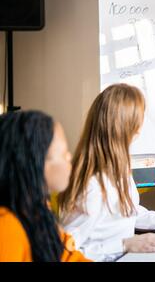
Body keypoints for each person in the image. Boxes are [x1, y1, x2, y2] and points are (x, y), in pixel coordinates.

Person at [58, 84, 155, 262]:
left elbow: (127, 211)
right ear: (126, 128)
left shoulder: (119, 168)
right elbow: (65, 251)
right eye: (139, 119)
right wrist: (125, 244)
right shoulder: (91, 187)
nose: (141, 127)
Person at [0, 110, 90, 262]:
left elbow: (69, 257)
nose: (70, 158)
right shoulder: (7, 228)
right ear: (35, 163)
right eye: (63, 153)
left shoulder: (38, 211)